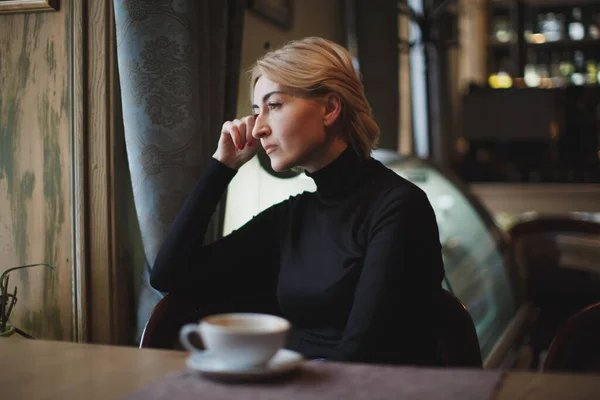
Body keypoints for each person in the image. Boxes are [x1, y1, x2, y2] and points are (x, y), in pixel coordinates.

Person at [151, 37, 445, 366]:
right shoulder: (294, 216)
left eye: (273, 105)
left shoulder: (399, 207)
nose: (258, 127)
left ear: (330, 108)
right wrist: (222, 167)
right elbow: (168, 276)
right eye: (255, 111)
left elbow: (361, 357)